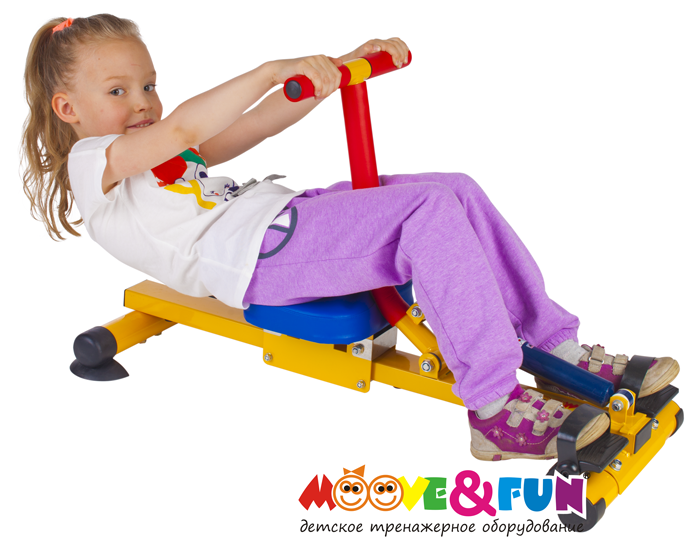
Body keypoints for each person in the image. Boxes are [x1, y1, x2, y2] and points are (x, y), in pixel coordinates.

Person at [22, 14, 679, 462]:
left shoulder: (161, 148)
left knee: (453, 189)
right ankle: (494, 409)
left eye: (148, 85)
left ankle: (554, 347)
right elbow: (181, 131)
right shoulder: (94, 161)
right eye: (118, 90)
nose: (142, 101)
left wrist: (337, 68)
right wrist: (266, 69)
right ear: (67, 108)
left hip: (287, 219)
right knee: (427, 212)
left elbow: (255, 126)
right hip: (259, 261)